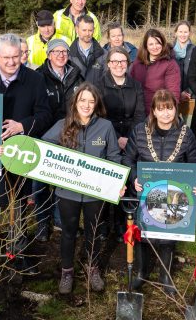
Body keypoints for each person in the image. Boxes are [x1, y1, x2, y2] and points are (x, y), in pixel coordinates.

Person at [0, 34, 52, 268]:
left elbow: (45, 114)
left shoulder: (35, 80)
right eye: (6, 57)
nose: (11, 62)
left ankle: (17, 251)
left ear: (22, 55)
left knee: (18, 207)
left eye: (15, 57)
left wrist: (22, 125)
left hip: (18, 154)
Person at [42, 84, 121, 295]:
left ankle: (92, 269)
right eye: (82, 100)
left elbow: (114, 156)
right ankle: (67, 271)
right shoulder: (62, 125)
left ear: (96, 104)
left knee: (93, 233)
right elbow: (43, 148)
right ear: (75, 103)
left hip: (96, 192)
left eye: (91, 101)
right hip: (67, 192)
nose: (86, 105)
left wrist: (118, 183)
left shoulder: (106, 127)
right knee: (68, 232)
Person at [125, 89, 196, 295]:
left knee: (169, 232)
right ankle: (141, 272)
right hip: (145, 191)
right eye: (161, 109)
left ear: (176, 109)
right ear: (154, 111)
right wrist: (134, 178)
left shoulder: (186, 133)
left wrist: (194, 182)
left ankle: (165, 275)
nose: (166, 113)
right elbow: (128, 159)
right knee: (142, 232)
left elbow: (195, 161)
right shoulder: (140, 131)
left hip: (173, 191)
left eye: (170, 108)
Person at [33, 37, 84, 241]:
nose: (61, 55)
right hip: (45, 136)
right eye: (57, 52)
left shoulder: (77, 76)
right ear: (49, 55)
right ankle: (41, 223)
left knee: (64, 181)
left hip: (70, 135)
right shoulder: (38, 76)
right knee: (41, 183)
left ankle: (60, 220)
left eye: (64, 52)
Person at [96, 47, 147, 241]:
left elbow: (140, 114)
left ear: (128, 63)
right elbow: (100, 113)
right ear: (108, 64)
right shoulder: (100, 85)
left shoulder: (135, 85)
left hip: (132, 137)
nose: (118, 65)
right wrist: (116, 137)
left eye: (122, 61)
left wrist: (129, 138)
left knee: (126, 180)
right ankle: (102, 224)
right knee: (108, 178)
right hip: (107, 136)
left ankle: (122, 223)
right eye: (115, 61)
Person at [130, 28, 182, 117]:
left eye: (158, 43)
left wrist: (167, 113)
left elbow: (173, 92)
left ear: (163, 44)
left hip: (159, 112)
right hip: (138, 111)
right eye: (151, 44)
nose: (155, 47)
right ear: (146, 46)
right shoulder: (138, 63)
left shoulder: (170, 64)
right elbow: (130, 86)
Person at [68, 15, 106, 84]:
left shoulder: (104, 54)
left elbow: (106, 80)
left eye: (90, 30)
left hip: (96, 94)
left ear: (94, 30)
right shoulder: (68, 55)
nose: (87, 34)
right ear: (77, 29)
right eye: (84, 30)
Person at [171, 20, 195, 99]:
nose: (183, 34)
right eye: (180, 31)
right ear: (176, 33)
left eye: (185, 32)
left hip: (190, 94)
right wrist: (177, 92)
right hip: (172, 94)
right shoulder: (168, 50)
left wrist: (188, 91)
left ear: (189, 33)